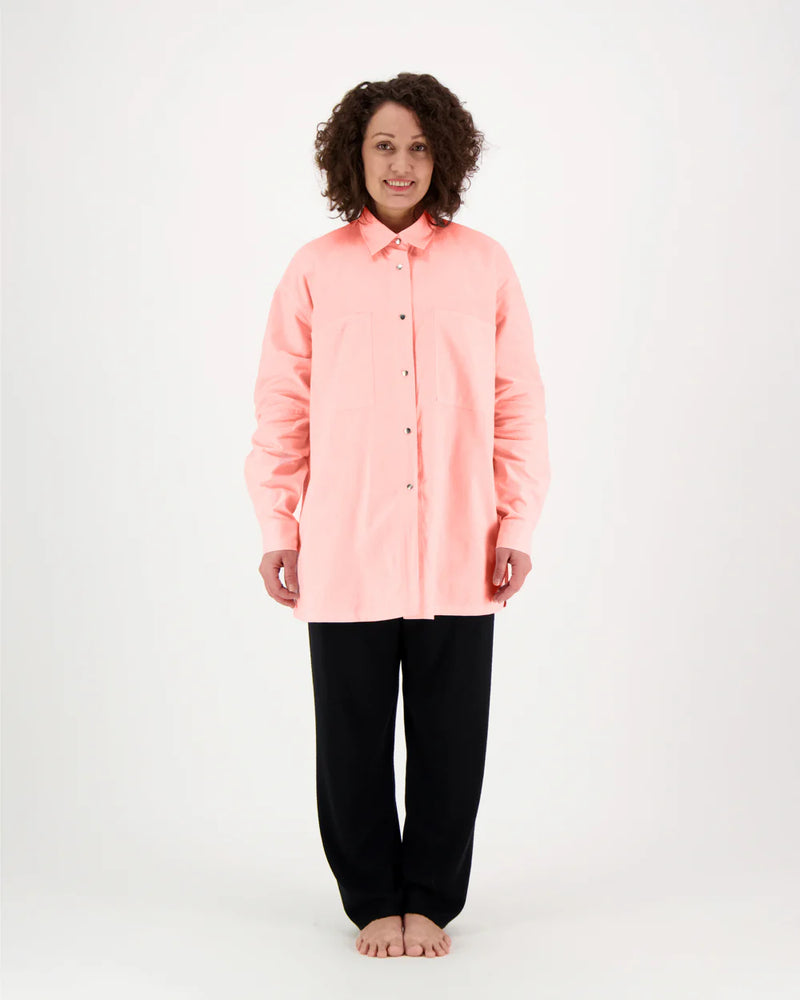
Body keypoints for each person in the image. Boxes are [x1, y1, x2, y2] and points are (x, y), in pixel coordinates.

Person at [244, 73, 551, 958]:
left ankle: (433, 900)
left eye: (418, 146)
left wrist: (517, 525)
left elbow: (518, 403)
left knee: (452, 736)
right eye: (384, 145)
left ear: (443, 156)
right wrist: (278, 527)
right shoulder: (314, 269)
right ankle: (374, 899)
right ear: (356, 155)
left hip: (461, 541)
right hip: (346, 543)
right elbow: (281, 409)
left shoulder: (485, 264)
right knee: (351, 736)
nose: (401, 163)